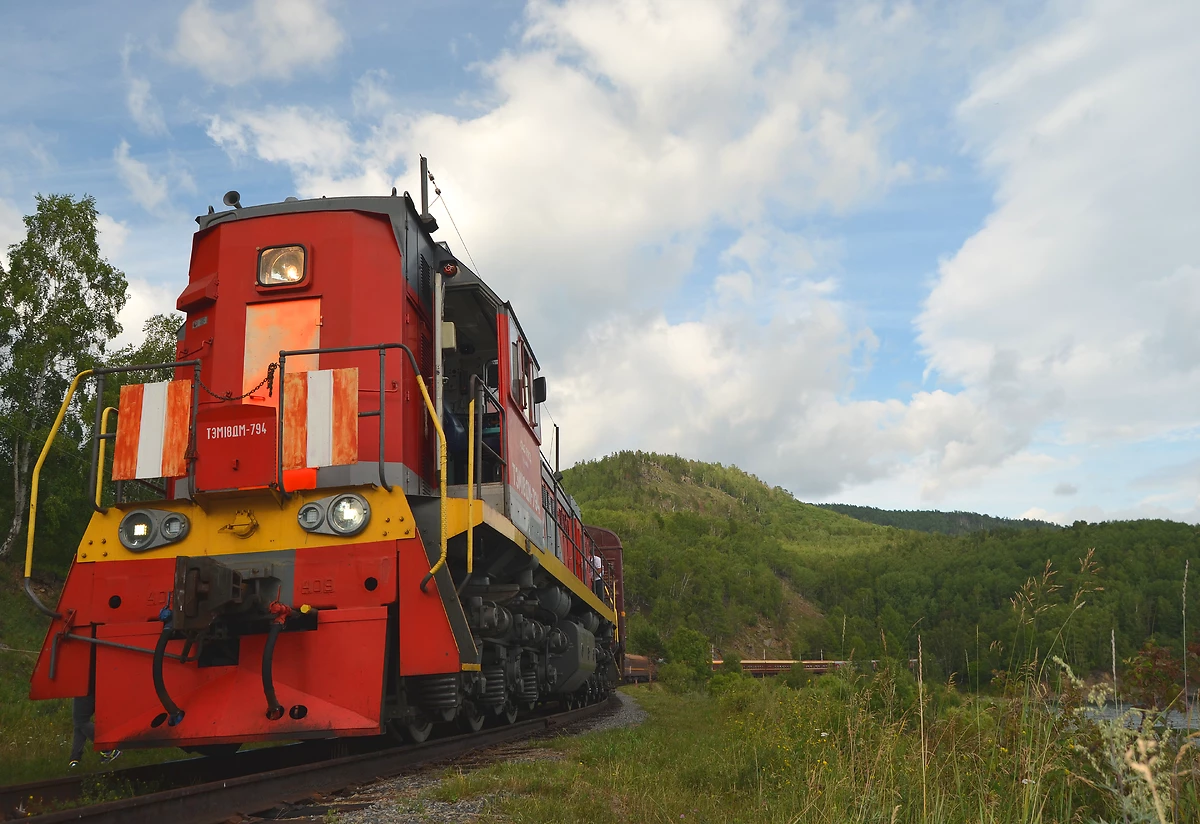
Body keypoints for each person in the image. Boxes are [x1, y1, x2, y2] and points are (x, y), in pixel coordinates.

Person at [69, 695, 120, 768]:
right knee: (79, 722)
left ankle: (108, 749)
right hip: (93, 688)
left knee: (80, 721)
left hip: (86, 688)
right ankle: (74, 760)